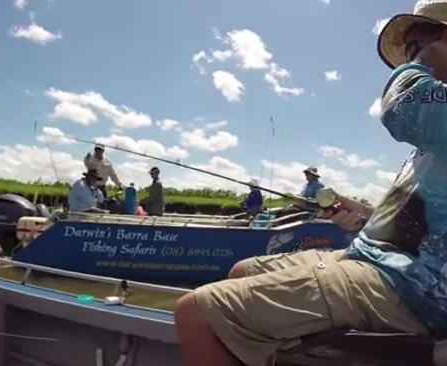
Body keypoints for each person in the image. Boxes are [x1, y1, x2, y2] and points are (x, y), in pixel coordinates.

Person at [173, 2, 447, 365]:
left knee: (195, 313)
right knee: (241, 269)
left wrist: (423, 63)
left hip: (412, 288)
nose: (413, 57)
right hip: (381, 262)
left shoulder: (426, 108)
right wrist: (365, 216)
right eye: (412, 49)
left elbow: (403, 106)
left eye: (422, 44)